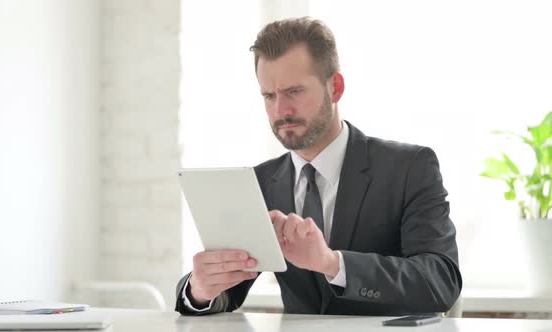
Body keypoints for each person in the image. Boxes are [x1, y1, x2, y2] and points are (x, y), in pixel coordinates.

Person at [175, 17, 462, 316]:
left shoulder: (409, 168)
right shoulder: (260, 182)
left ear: (335, 87)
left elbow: (440, 282)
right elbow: (228, 292)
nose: (280, 110)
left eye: (294, 91)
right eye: (269, 96)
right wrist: (200, 291)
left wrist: (333, 263)